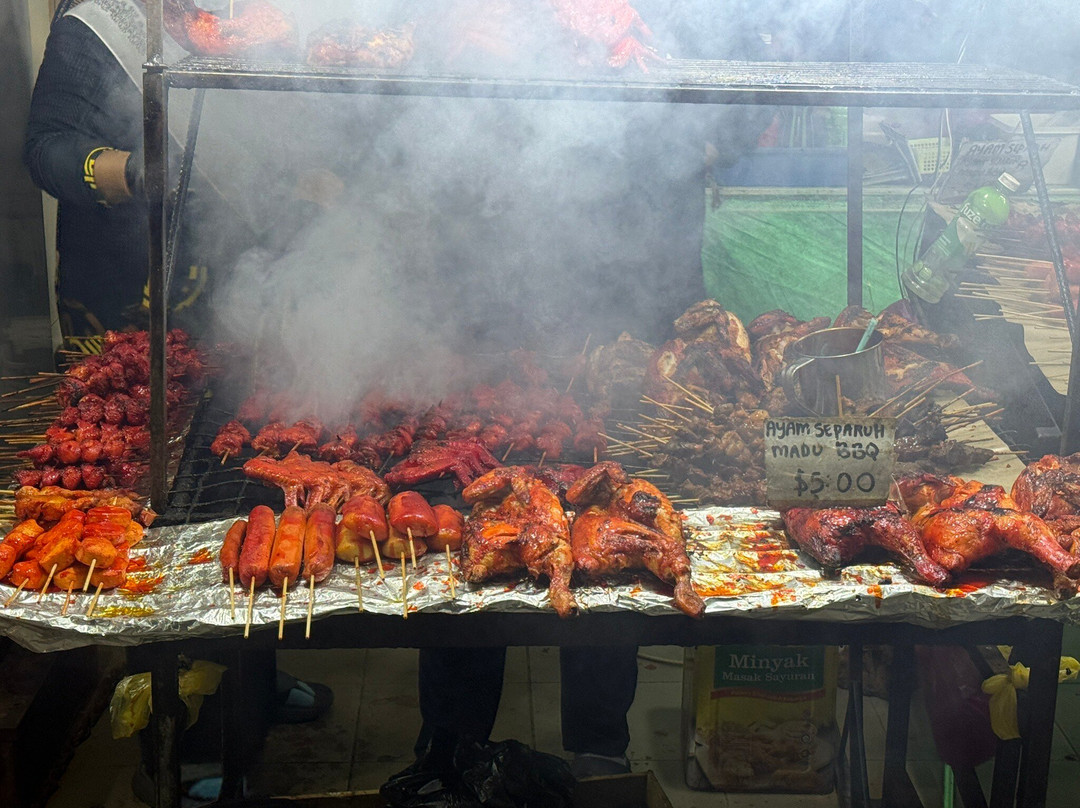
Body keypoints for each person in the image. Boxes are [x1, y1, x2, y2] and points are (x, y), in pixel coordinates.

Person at [23, 1, 332, 802]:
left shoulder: (237, 17)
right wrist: (132, 172)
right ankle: (185, 738)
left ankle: (255, 685)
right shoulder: (99, 25)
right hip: (128, 307)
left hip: (226, 292)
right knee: (159, 519)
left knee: (243, 486)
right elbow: (46, 150)